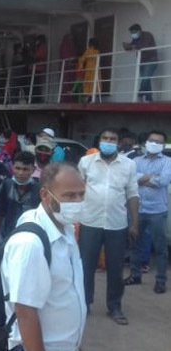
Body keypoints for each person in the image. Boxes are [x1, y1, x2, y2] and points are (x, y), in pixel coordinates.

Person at [1, 162, 87, 351]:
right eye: (69, 196)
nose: (78, 201)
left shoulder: (67, 228)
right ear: (46, 195)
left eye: (81, 194)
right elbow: (25, 312)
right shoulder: (30, 243)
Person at [78, 128, 139, 325]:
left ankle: (115, 306)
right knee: (86, 266)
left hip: (117, 224)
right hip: (89, 221)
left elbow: (132, 194)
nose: (108, 141)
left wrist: (134, 223)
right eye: (105, 138)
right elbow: (77, 190)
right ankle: (84, 304)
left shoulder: (128, 165)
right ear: (99, 140)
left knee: (115, 267)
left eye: (112, 139)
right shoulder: (86, 162)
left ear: (118, 142)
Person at [124, 131, 171, 294]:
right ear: (146, 142)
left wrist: (140, 179)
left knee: (160, 247)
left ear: (163, 146)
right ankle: (135, 275)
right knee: (134, 244)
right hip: (137, 209)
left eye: (158, 142)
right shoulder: (135, 160)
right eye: (152, 141)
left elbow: (164, 181)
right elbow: (129, 180)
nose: (154, 144)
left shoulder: (168, 161)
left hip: (158, 210)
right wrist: (152, 178)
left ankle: (160, 281)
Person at [0, 152, 40, 241]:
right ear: (12, 167)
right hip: (7, 235)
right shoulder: (6, 185)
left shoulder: (38, 189)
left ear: (33, 170)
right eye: (17, 168)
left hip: (30, 238)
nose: (20, 173)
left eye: (25, 169)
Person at [124, 24, 157, 102]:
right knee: (146, 79)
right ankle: (149, 98)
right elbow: (132, 46)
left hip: (151, 60)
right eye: (131, 33)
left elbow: (143, 47)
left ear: (139, 31)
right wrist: (127, 46)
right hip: (141, 61)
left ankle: (140, 93)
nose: (133, 34)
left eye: (134, 32)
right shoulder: (136, 38)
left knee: (145, 78)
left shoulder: (147, 35)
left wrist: (133, 46)